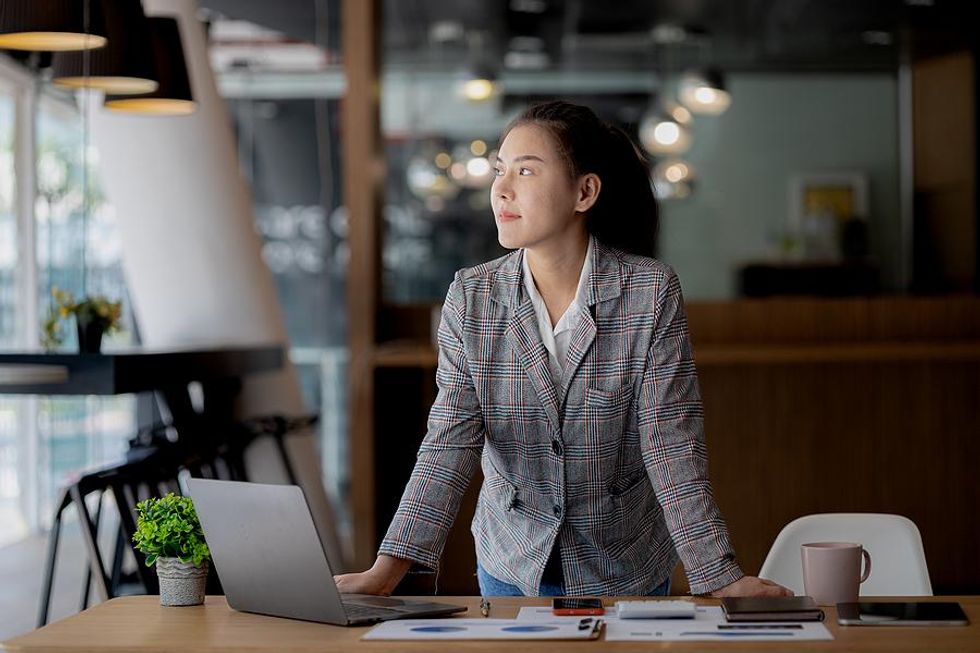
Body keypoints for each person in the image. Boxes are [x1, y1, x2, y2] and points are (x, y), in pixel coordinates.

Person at [336, 101, 791, 598]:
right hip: (512, 561)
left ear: (584, 192)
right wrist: (387, 570)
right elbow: (450, 441)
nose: (501, 190)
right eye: (498, 170)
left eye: (526, 170)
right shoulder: (472, 297)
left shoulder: (649, 291)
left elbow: (671, 445)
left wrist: (718, 578)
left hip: (624, 564)